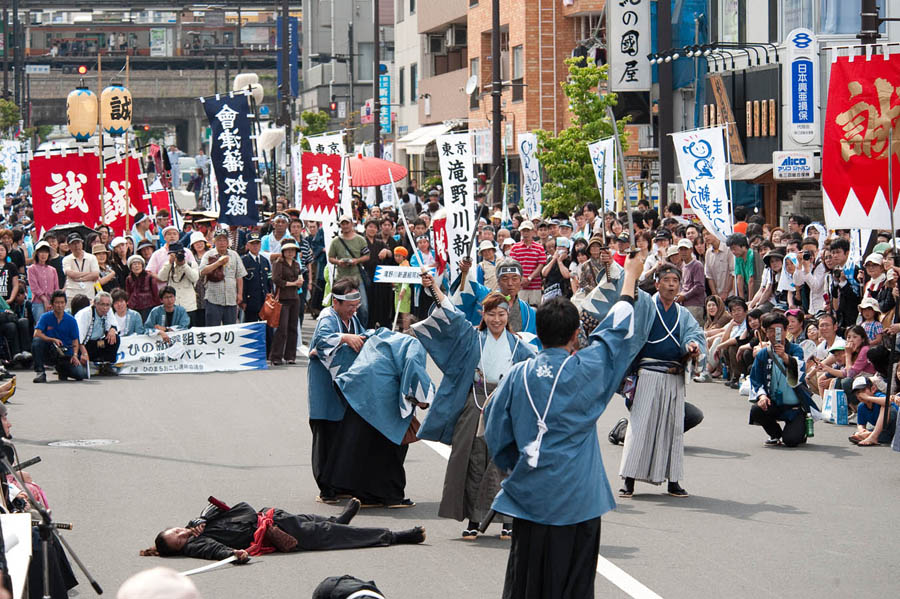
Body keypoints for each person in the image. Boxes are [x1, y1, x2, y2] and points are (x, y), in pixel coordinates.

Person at [483, 255, 648, 599]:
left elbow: (496, 432)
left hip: (530, 495)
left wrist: (516, 467)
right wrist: (630, 276)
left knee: (528, 580)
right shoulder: (586, 369)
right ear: (576, 335)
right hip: (579, 498)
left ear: (538, 333)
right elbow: (615, 333)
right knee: (574, 583)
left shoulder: (517, 375)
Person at [413, 275, 534, 539]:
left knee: (504, 463)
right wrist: (433, 287)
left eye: (502, 314)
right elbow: (451, 314)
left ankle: (507, 519)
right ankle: (474, 519)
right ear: (483, 314)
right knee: (474, 461)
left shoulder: (520, 347)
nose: (497, 320)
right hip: (475, 403)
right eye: (491, 314)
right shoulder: (472, 337)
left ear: (508, 315)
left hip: (506, 407)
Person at [619, 264, 706, 499]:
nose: (670, 284)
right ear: (657, 284)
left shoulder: (683, 313)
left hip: (674, 375)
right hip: (647, 372)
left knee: (673, 428)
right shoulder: (646, 306)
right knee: (639, 426)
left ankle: (673, 480)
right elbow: (627, 288)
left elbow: (693, 334)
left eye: (675, 281)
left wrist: (692, 346)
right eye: (666, 280)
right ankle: (629, 479)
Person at [139, 500, 425, 561]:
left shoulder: (198, 524)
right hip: (272, 533)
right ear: (178, 549)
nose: (181, 535)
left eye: (176, 531)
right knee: (332, 536)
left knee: (316, 522)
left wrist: (200, 519)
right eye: (177, 541)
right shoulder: (196, 545)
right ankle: (397, 536)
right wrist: (234, 553)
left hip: (270, 517)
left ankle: (339, 520)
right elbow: (215, 550)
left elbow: (231, 506)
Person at [307, 277, 365, 503]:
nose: (353, 310)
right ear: (336, 302)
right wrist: (343, 337)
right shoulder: (327, 318)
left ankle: (340, 484)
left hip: (343, 385)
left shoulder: (352, 319)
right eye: (349, 307)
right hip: (324, 386)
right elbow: (321, 342)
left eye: (356, 306)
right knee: (325, 436)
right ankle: (326, 488)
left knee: (343, 436)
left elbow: (360, 336)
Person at [748, 312, 815, 447]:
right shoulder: (763, 353)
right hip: (774, 403)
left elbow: (800, 371)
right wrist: (761, 396)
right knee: (756, 410)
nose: (774, 334)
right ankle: (775, 434)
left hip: (795, 407)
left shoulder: (796, 349)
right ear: (765, 332)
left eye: (778, 330)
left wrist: (784, 356)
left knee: (791, 441)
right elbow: (756, 378)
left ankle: (798, 431)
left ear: (785, 331)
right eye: (770, 331)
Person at [455, 257, 538, 339]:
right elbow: (472, 287)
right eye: (505, 278)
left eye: (514, 278)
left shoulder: (528, 311)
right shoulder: (486, 298)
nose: (510, 283)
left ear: (521, 280)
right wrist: (466, 272)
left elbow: (532, 341)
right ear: (498, 281)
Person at [32, 290, 87, 383]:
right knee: (37, 341)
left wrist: (75, 355)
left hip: (65, 354)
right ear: (52, 304)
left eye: (62, 303)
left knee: (80, 374)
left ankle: (63, 371)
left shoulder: (71, 320)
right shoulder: (45, 317)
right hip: (50, 351)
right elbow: (36, 333)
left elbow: (75, 340)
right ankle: (40, 372)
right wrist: (52, 339)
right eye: (57, 303)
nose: (59, 305)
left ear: (65, 304)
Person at [328, 214, 370, 327]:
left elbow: (367, 256)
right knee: (338, 307)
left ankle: (361, 330)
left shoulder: (360, 239)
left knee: (363, 308)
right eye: (343, 224)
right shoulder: (336, 241)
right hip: (341, 278)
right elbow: (330, 257)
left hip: (357, 278)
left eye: (347, 223)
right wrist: (339, 262)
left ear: (352, 224)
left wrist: (356, 261)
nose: (345, 226)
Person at [199, 229, 247, 326]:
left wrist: (240, 294)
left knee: (230, 329)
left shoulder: (234, 255)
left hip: (231, 298)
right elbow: (202, 271)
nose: (222, 243)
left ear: (228, 242)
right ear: (214, 242)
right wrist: (218, 263)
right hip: (213, 298)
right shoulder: (208, 254)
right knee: (212, 329)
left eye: (224, 240)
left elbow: (239, 275)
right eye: (219, 240)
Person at [269, 238, 304, 365]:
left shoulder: (296, 264)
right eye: (287, 250)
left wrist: (300, 282)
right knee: (282, 329)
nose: (290, 252)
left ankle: (290, 356)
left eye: (292, 250)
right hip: (282, 299)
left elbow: (299, 277)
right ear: (283, 251)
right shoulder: (278, 263)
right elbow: (276, 279)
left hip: (295, 297)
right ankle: (276, 356)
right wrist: (292, 283)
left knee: (293, 328)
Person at [73, 291, 120, 374]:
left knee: (115, 338)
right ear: (95, 303)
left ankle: (106, 364)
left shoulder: (108, 311)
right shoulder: (85, 314)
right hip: (82, 345)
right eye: (102, 304)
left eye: (107, 305)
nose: (105, 308)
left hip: (97, 343)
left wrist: (112, 330)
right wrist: (84, 353)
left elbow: (114, 324)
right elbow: (78, 336)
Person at [157, 242, 200, 320]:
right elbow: (161, 277)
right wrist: (170, 263)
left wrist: (184, 265)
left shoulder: (191, 264)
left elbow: (195, 278)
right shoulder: (168, 265)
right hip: (173, 305)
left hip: (189, 305)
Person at [508, 221, 546, 306]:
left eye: (528, 230)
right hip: (520, 286)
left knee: (535, 310)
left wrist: (529, 278)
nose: (525, 233)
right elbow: (512, 265)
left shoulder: (539, 247)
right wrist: (521, 278)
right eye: (523, 231)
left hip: (535, 286)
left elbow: (541, 265)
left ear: (533, 231)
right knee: (520, 311)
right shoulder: (515, 248)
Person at [240, 232, 272, 323]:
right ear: (247, 245)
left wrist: (270, 295)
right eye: (252, 243)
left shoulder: (264, 261)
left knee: (266, 327)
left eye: (257, 243)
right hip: (251, 301)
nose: (255, 246)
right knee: (251, 327)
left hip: (264, 300)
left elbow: (269, 280)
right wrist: (243, 300)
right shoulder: (244, 260)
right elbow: (242, 282)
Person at [62, 233, 100, 306]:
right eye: (73, 243)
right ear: (69, 246)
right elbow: (70, 273)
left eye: (78, 243)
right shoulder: (66, 259)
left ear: (82, 243)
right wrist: (88, 274)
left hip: (88, 295)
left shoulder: (91, 257)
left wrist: (79, 278)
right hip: (71, 295)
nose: (76, 246)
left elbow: (95, 275)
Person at [27, 241, 59, 322]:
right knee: (40, 326)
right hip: (38, 302)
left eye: (46, 252)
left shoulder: (52, 270)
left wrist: (53, 301)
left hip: (52, 302)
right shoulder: (32, 269)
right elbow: (34, 287)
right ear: (37, 253)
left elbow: (56, 287)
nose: (43, 254)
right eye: (41, 252)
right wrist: (44, 299)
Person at [677, 238, 706, 324]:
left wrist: (684, 296)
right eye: (681, 249)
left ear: (691, 250)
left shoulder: (697, 265)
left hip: (695, 305)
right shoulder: (683, 265)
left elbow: (699, 287)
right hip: (685, 305)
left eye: (686, 249)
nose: (683, 252)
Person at [125, 255, 160, 320]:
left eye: (139, 263)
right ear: (130, 267)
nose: (137, 266)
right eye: (134, 264)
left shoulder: (149, 277)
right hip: (134, 307)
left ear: (142, 265)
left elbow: (155, 293)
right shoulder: (128, 279)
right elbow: (128, 293)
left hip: (148, 306)